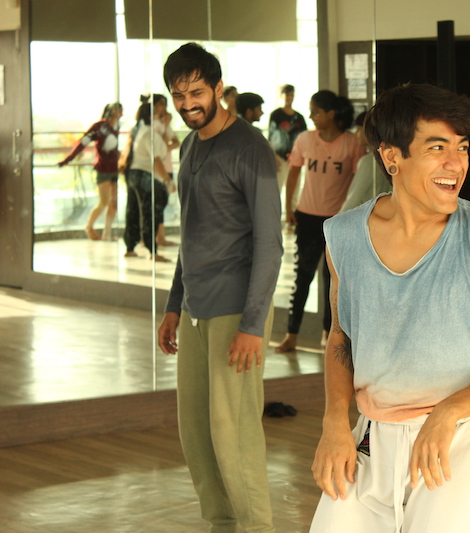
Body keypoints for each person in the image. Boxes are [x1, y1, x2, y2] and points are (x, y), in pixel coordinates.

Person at [308, 83, 470, 532]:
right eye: (437, 148)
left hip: (459, 438)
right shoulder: (343, 235)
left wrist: (448, 412)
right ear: (391, 157)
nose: (456, 163)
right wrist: (335, 422)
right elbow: (342, 336)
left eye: (462, 147)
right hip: (370, 437)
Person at [157, 42, 282, 533]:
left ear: (218, 88)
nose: (188, 104)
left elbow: (270, 244)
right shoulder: (189, 146)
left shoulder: (250, 149)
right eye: (178, 95)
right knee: (196, 429)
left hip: (237, 309)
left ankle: (257, 528)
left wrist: (253, 324)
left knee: (234, 431)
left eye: (196, 92)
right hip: (195, 307)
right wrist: (174, 303)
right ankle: (223, 523)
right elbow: (191, 233)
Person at [274, 90, 363, 353]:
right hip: (307, 217)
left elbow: (358, 185)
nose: (311, 116)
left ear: (331, 114)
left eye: (316, 112)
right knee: (302, 277)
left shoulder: (351, 144)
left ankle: (328, 335)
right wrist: (289, 207)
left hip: (338, 221)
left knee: (332, 281)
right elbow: (293, 173)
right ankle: (291, 334)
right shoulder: (305, 139)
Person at [58, 102, 123, 241]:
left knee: (113, 203)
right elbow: (82, 143)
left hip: (114, 168)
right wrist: (68, 159)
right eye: (118, 111)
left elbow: (113, 148)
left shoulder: (115, 127)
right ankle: (89, 227)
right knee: (104, 201)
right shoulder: (100, 127)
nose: (120, 114)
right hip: (103, 169)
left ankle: (107, 233)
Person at [122, 97, 173, 262]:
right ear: (153, 115)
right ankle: (152, 251)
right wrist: (167, 180)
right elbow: (156, 160)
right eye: (158, 112)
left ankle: (130, 247)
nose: (161, 114)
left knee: (133, 210)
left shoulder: (139, 130)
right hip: (144, 174)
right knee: (150, 212)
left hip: (133, 173)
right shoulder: (149, 133)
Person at [339, 111, 392, 212]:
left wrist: (337, 220)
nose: (356, 133)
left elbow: (354, 199)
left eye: (359, 129)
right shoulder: (392, 156)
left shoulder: (369, 161)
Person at [152, 93, 180, 247]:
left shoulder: (165, 125)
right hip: (157, 168)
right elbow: (157, 146)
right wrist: (164, 148)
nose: (164, 107)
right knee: (156, 203)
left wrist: (164, 149)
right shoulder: (152, 125)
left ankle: (160, 236)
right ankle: (154, 237)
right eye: (161, 103)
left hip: (167, 166)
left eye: (165, 103)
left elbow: (176, 142)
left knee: (163, 201)